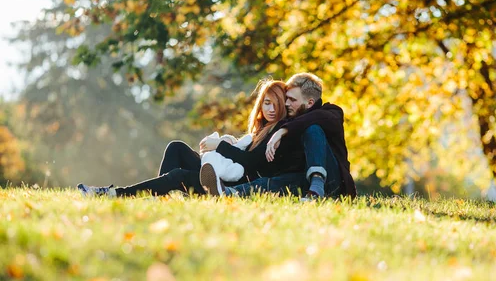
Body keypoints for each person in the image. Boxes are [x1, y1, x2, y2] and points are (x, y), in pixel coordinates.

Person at [77, 79, 297, 197]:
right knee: (177, 147)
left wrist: (220, 145)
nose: (270, 109)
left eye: (276, 105)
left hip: (230, 185)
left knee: (178, 175)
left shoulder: (279, 132)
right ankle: (159, 196)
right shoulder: (259, 130)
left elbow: (251, 164)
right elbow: (241, 153)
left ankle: (114, 194)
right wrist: (230, 143)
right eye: (266, 103)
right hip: (221, 173)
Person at [200, 72, 356, 199]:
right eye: (286, 98)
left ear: (309, 102)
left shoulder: (331, 113)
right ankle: (229, 193)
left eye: (292, 99)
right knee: (274, 181)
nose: (286, 103)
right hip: (304, 182)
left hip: (334, 182)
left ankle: (317, 187)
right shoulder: (290, 120)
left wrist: (283, 131)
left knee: (313, 129)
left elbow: (315, 118)